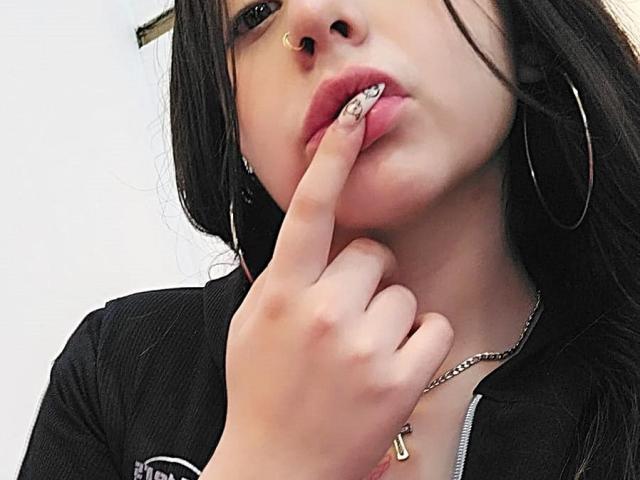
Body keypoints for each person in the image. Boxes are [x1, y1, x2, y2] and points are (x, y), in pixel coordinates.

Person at [18, 0, 640, 479]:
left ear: (526, 37)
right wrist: (265, 462)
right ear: (232, 127)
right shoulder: (114, 371)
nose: (312, 16)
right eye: (255, 14)